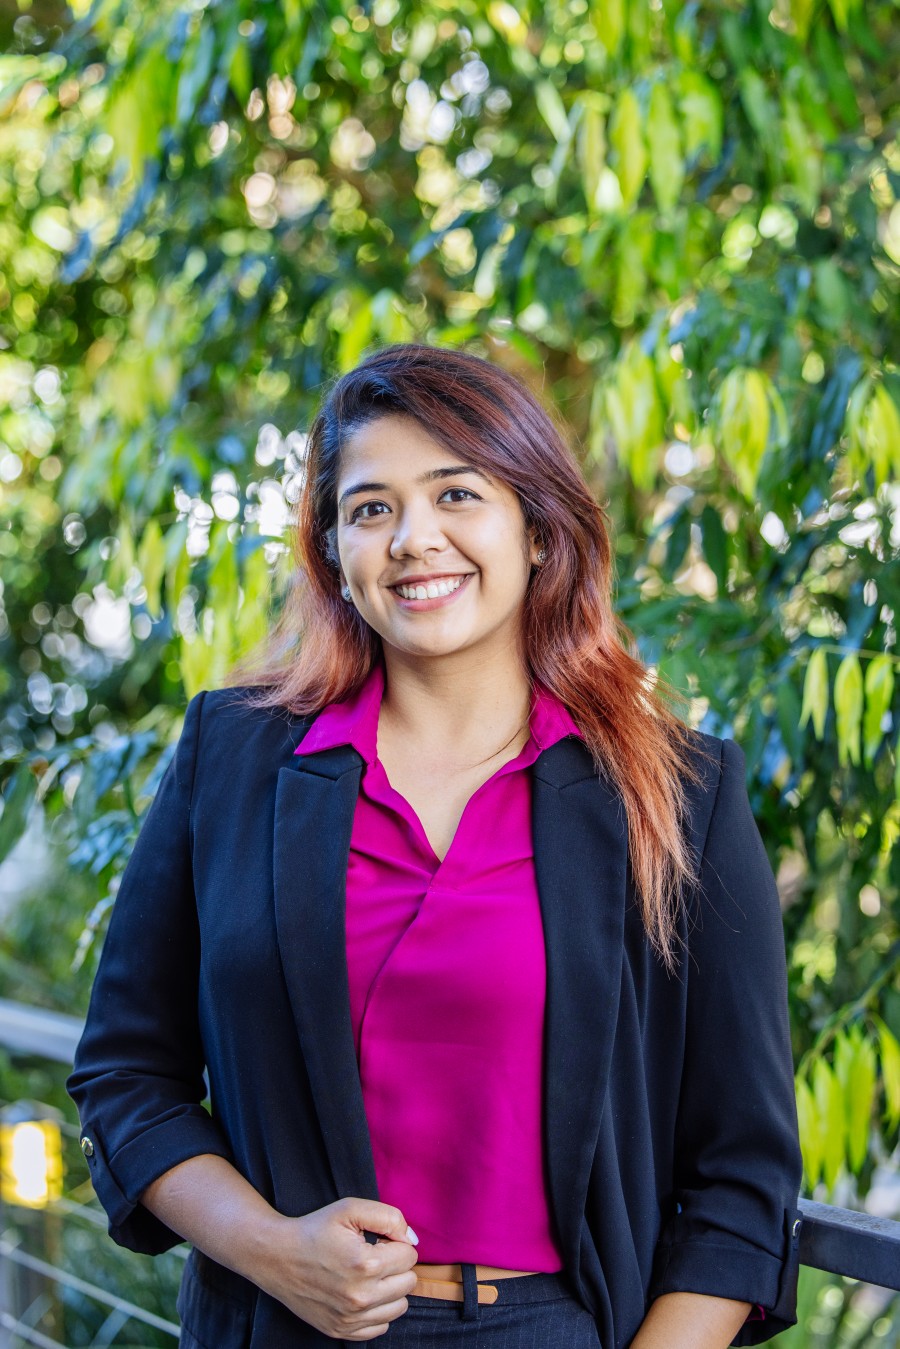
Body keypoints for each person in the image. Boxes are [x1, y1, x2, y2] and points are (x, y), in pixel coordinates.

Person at [68, 343, 803, 1349]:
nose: (415, 539)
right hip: (277, 1322)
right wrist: (274, 1248)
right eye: (371, 508)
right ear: (336, 552)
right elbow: (126, 1075)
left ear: (538, 529)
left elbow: (741, 1182)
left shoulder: (677, 795)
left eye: (457, 493)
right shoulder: (231, 758)